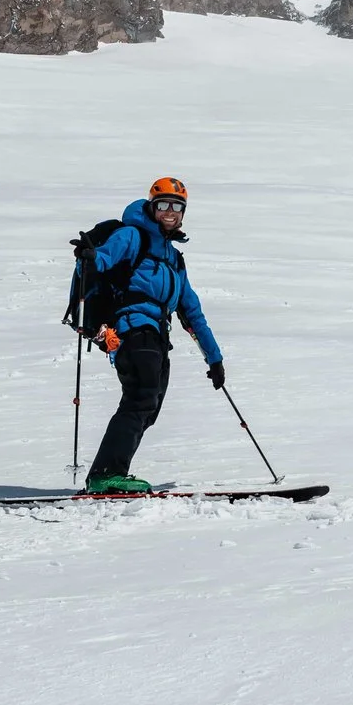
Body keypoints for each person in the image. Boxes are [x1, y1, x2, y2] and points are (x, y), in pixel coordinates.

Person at [81, 176, 226, 494]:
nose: (170, 212)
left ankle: (106, 474)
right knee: (141, 397)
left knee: (150, 406)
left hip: (158, 336)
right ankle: (106, 474)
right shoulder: (132, 236)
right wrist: (92, 257)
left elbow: (193, 313)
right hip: (131, 329)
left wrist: (215, 359)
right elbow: (104, 258)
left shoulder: (174, 259)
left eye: (177, 207)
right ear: (152, 207)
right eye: (163, 205)